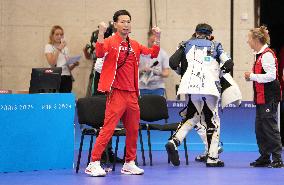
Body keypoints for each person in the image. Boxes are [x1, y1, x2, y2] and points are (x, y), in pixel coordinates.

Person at [85, 9, 161, 177]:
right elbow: (98, 53)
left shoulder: (134, 44)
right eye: (122, 22)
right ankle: (93, 162)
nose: (126, 25)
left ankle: (129, 163)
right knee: (108, 128)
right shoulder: (110, 41)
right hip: (116, 92)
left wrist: (157, 37)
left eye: (128, 21)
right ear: (115, 24)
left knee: (133, 129)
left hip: (132, 94)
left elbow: (153, 53)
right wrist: (100, 33)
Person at [165, 23, 234, 167]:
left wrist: (183, 71)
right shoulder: (215, 45)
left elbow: (172, 63)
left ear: (196, 33)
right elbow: (229, 63)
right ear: (210, 35)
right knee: (212, 121)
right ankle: (212, 157)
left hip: (190, 88)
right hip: (209, 89)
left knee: (192, 116)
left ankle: (174, 141)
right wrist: (219, 71)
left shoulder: (185, 45)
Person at [245, 26, 283, 168]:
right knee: (260, 128)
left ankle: (277, 158)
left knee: (270, 128)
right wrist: (252, 78)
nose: (248, 42)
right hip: (261, 98)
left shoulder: (267, 54)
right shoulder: (260, 55)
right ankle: (265, 156)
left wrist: (252, 76)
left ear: (256, 40)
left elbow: (272, 76)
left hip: (269, 98)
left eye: (249, 39)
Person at [45, 25, 79, 93]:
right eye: (57, 34)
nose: (59, 36)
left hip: (67, 77)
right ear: (52, 35)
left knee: (65, 100)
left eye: (61, 34)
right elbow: (52, 63)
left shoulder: (65, 48)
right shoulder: (49, 46)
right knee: (55, 100)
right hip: (55, 77)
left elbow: (66, 68)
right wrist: (59, 49)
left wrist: (74, 64)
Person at [139, 30, 170, 96]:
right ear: (148, 39)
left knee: (157, 106)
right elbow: (133, 72)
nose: (154, 44)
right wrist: (142, 70)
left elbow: (166, 73)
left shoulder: (163, 54)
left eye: (155, 42)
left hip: (158, 88)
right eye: (152, 41)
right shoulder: (141, 53)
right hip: (143, 87)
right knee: (143, 106)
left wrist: (157, 72)